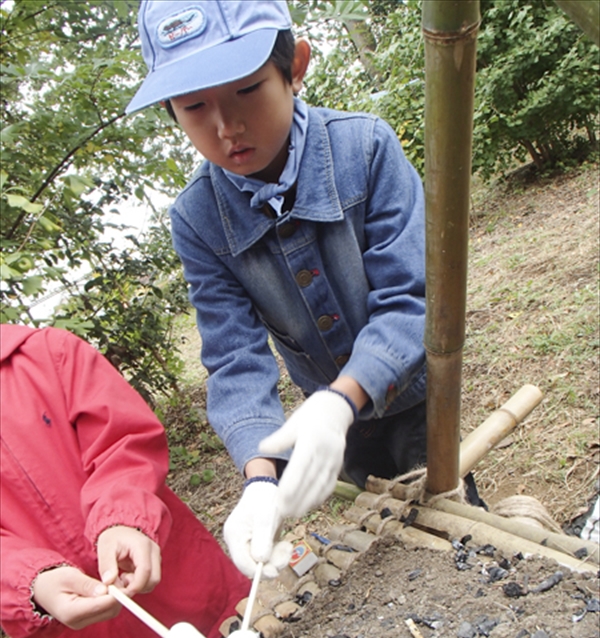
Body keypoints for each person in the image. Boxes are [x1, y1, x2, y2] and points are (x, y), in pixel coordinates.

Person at [127, 0, 471, 580]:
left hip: (417, 394)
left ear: (296, 66)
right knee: (396, 542)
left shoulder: (364, 149)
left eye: (246, 91)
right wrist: (261, 477)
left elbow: (413, 296)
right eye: (194, 107)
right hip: (329, 426)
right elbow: (234, 358)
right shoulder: (198, 219)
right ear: (171, 112)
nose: (226, 126)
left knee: (457, 523)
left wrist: (341, 399)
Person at [0, 324, 251, 638]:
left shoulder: (47, 353)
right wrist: (28, 582)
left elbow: (124, 438)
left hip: (190, 600)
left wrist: (123, 517)